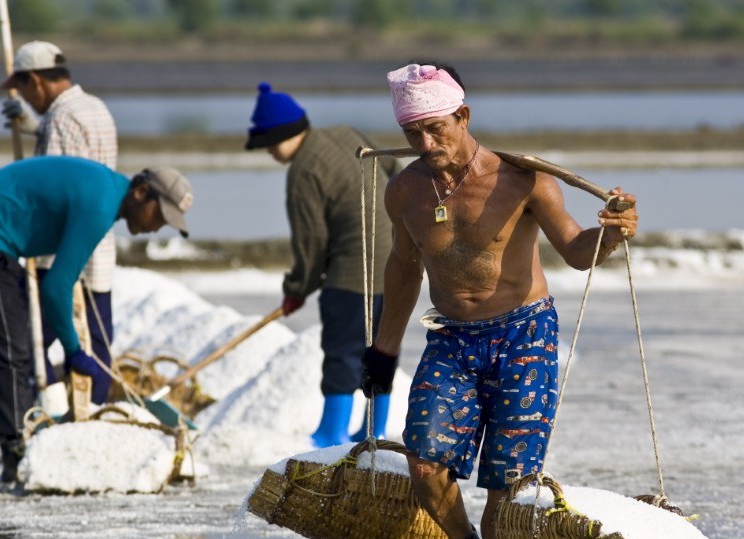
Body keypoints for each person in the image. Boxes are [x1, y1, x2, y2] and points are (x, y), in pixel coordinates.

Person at [360, 63, 639, 539]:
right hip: (451, 339)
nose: (425, 145)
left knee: (507, 486)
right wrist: (383, 351)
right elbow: (404, 267)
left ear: (463, 116)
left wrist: (610, 235)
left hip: (524, 335)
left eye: (435, 129)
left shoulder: (523, 180)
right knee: (424, 465)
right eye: (412, 133)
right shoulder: (404, 191)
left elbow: (575, 250)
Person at [0, 156, 194, 482]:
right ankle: (17, 448)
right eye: (160, 215)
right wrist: (73, 351)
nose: (157, 227)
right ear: (142, 192)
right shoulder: (100, 206)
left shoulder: (106, 194)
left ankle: (20, 439)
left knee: (20, 340)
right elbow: (57, 288)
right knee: (9, 346)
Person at [244, 82, 401, 447]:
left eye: (269, 143)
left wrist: (296, 289)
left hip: (350, 276)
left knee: (343, 353)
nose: (268, 152)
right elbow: (392, 166)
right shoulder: (347, 134)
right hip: (396, 267)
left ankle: (330, 433)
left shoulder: (303, 172)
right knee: (382, 347)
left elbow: (310, 244)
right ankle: (372, 431)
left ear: (285, 134)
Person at [0, 40, 121, 392]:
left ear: (36, 81)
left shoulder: (61, 118)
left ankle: (51, 407)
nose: (25, 95)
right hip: (98, 244)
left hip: (64, 247)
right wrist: (31, 124)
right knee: (96, 340)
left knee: (29, 341)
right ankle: (94, 410)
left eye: (23, 87)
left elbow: (52, 184)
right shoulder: (93, 107)